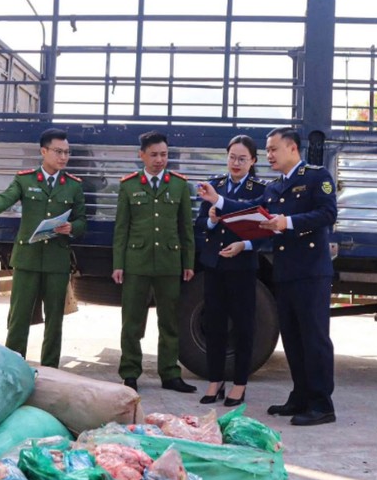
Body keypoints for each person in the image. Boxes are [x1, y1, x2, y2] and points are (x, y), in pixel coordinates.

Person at [197, 127, 337, 426]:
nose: (269, 155)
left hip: (311, 272)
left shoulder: (316, 177)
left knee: (314, 339)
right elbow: (250, 209)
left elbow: (328, 214)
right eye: (268, 150)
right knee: (293, 339)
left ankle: (321, 404)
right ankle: (300, 396)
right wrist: (218, 200)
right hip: (285, 273)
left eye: (274, 149)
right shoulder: (275, 187)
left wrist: (288, 222)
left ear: (292, 149)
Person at [0, 128, 87, 368]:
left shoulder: (73, 186)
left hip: (56, 260)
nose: (63, 157)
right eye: (58, 151)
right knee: (19, 316)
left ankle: (50, 368)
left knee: (55, 320)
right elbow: (6, 197)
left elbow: (82, 221)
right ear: (43, 151)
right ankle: (13, 364)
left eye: (67, 152)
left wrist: (71, 227)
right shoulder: (26, 179)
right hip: (27, 259)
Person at [112, 130, 196, 393]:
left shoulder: (179, 185)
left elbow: (186, 228)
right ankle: (130, 373)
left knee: (169, 321)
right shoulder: (129, 185)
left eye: (164, 154)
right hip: (136, 262)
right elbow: (121, 228)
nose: (160, 160)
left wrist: (188, 262)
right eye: (154, 155)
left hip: (169, 262)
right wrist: (118, 264)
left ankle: (170, 374)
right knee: (132, 321)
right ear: (142, 155)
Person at [195, 135, 267, 407]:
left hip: (242, 266)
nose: (236, 163)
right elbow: (200, 223)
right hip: (215, 265)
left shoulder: (260, 189)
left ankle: (239, 384)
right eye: (232, 157)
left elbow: (265, 229)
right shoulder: (214, 185)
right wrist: (212, 221)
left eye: (242, 159)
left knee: (243, 326)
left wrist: (244, 245)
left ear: (253, 161)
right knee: (214, 324)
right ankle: (215, 380)